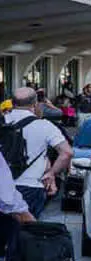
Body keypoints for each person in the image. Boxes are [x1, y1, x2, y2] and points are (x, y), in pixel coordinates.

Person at [4, 87, 73, 218]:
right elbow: (67, 153)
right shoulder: (45, 126)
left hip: (3, 185)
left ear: (12, 103)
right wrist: (52, 173)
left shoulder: (3, 122)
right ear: (35, 104)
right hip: (30, 187)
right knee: (27, 232)